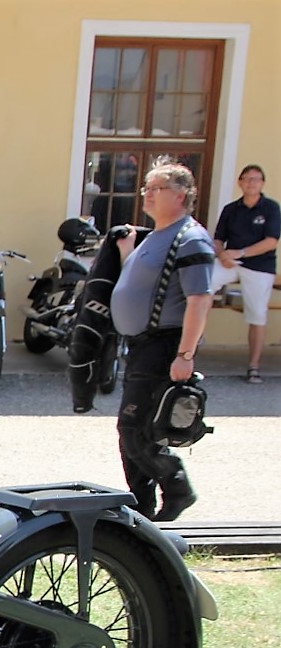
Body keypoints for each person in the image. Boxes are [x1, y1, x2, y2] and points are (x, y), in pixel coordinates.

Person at [109, 158, 215, 522]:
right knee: (134, 429)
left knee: (135, 427)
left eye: (157, 189)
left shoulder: (190, 238)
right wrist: (126, 253)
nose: (148, 195)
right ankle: (141, 504)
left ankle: (177, 486)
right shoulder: (157, 235)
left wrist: (185, 354)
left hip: (164, 345)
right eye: (146, 189)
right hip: (142, 346)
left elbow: (200, 299)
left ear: (181, 195)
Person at [209, 164, 278, 383]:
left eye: (256, 179)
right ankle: (190, 347)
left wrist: (241, 252)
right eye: (247, 179)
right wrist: (222, 255)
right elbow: (218, 238)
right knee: (202, 287)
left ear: (262, 183)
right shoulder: (231, 209)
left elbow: (271, 242)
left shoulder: (271, 208)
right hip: (230, 261)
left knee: (257, 314)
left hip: (259, 264)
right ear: (240, 182)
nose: (251, 183)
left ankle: (253, 366)